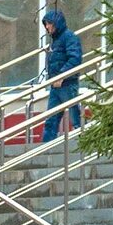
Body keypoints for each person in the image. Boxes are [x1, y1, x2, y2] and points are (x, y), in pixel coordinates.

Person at [41, 9, 83, 142]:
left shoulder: (69, 37)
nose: (47, 27)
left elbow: (75, 59)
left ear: (56, 23)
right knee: (51, 121)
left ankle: (83, 143)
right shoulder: (55, 41)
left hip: (67, 84)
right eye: (45, 24)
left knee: (75, 118)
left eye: (48, 23)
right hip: (56, 85)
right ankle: (45, 149)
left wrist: (62, 75)